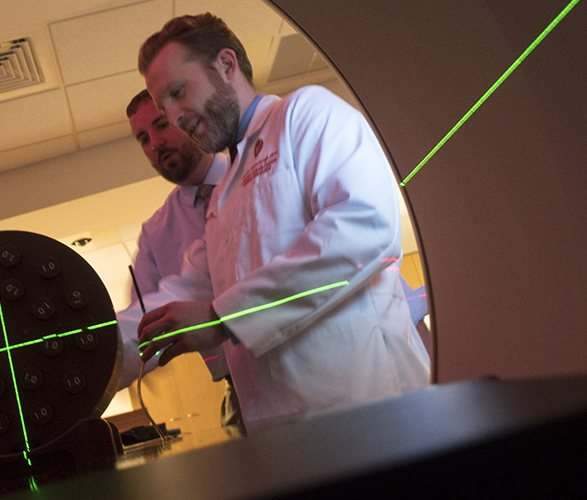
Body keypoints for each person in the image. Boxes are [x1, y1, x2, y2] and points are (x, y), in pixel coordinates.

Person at [134, 14, 431, 433]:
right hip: (286, 436)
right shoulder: (220, 200)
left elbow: (364, 233)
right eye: (165, 105)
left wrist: (224, 319)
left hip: (370, 411)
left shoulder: (305, 113)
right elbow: (181, 295)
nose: (175, 115)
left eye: (179, 92)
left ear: (226, 64)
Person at [114, 89, 244, 434]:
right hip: (240, 392)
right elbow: (142, 329)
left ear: (187, 119)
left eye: (160, 125)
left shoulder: (250, 172)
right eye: (143, 138)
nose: (154, 143)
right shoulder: (156, 232)